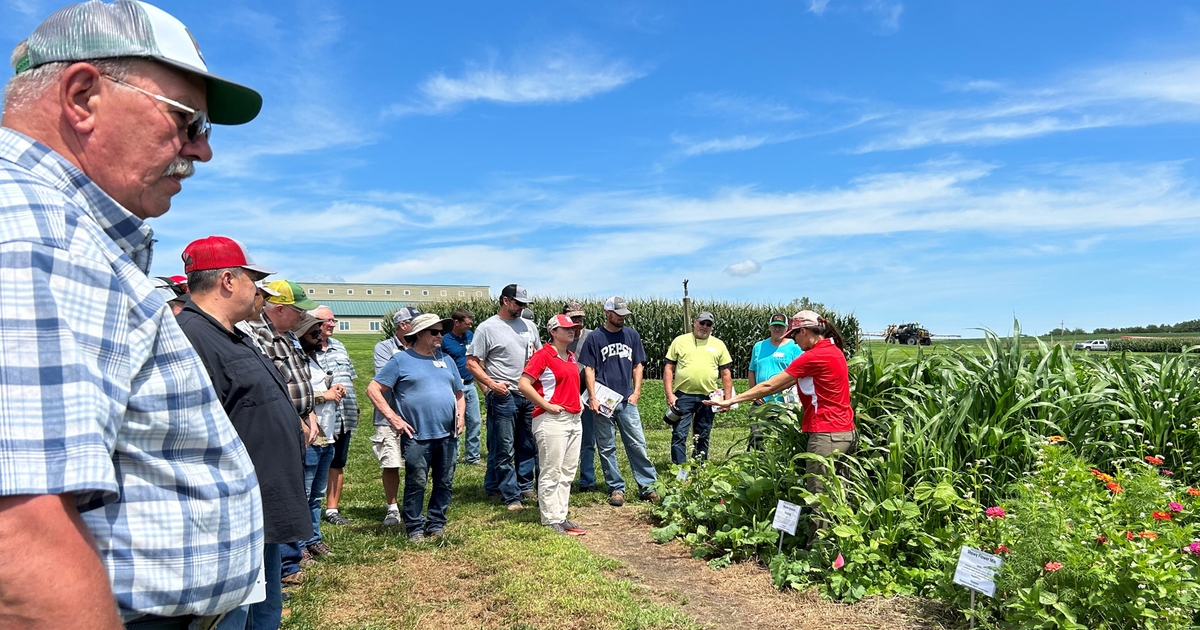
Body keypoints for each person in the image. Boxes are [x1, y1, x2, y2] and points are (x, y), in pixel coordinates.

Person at [0, 1, 265, 626]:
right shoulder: (41, 233)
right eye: (187, 119)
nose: (202, 151)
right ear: (84, 96)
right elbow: (20, 539)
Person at [175, 236, 310, 630]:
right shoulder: (191, 337)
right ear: (229, 280)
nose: (259, 290)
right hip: (229, 518)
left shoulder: (233, 334)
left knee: (262, 609)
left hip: (261, 508)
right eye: (254, 279)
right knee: (232, 616)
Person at [709, 310, 856, 541]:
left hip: (826, 433)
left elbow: (769, 386)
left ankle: (817, 551)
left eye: (795, 335)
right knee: (838, 493)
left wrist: (731, 400)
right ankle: (842, 544)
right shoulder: (832, 350)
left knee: (819, 494)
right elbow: (780, 385)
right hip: (845, 430)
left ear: (804, 332)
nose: (794, 340)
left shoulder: (813, 356)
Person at [244, 279, 321, 584]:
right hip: (282, 425)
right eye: (298, 311)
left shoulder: (287, 337)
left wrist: (311, 415)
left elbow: (300, 380)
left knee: (297, 489)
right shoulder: (259, 336)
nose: (303, 317)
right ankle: (286, 563)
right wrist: (296, 419)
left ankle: (294, 554)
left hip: (300, 422)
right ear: (279, 309)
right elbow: (274, 387)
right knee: (284, 491)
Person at [366, 314, 466, 541]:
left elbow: (459, 392)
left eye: (442, 332)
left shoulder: (447, 360)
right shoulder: (401, 360)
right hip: (417, 434)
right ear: (419, 334)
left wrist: (460, 415)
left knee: (445, 480)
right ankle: (414, 527)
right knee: (417, 481)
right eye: (435, 332)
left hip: (448, 433)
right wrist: (394, 419)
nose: (440, 336)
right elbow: (373, 389)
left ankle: (436, 523)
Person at [579, 296, 659, 505]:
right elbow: (589, 368)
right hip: (603, 400)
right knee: (606, 446)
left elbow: (637, 365)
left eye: (624, 314)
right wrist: (593, 398)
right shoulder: (595, 338)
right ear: (607, 313)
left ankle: (648, 486)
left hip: (626, 400)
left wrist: (637, 392)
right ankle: (616, 488)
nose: (622, 318)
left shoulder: (631, 335)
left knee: (637, 443)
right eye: (618, 314)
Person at [468, 284, 541, 510]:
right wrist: (490, 385)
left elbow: (539, 357)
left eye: (524, 304)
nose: (521, 308)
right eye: (518, 303)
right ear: (505, 300)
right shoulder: (487, 328)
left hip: (527, 393)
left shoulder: (529, 326)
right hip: (504, 394)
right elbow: (471, 362)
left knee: (528, 443)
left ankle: (525, 484)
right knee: (504, 446)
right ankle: (511, 495)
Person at [519, 315, 587, 536]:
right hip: (551, 420)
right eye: (567, 328)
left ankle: (561, 515)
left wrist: (579, 402)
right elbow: (523, 384)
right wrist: (546, 405)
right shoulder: (543, 355)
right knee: (551, 469)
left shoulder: (570, 356)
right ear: (553, 332)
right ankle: (550, 518)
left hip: (574, 418)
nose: (572, 331)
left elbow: (569, 385)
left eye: (574, 329)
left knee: (567, 470)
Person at [311, 306, 360, 526]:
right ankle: (309, 508)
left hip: (344, 416)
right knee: (312, 464)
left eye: (333, 320)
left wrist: (353, 406)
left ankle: (332, 510)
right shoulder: (304, 348)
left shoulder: (339, 346)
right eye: (326, 321)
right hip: (318, 418)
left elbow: (351, 377)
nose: (331, 324)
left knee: (337, 462)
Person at [371, 306, 421, 526]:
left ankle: (413, 507)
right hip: (388, 415)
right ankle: (392, 508)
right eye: (415, 322)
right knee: (390, 462)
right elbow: (387, 380)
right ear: (403, 325)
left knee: (417, 463)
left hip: (417, 415)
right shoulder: (384, 348)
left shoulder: (424, 347)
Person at [663, 311, 733, 464]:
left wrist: (728, 398)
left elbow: (726, 373)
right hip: (683, 396)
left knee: (703, 434)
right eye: (702, 323)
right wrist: (669, 394)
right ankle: (680, 470)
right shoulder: (679, 341)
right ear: (694, 323)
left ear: (712, 327)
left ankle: (699, 468)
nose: (704, 327)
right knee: (679, 434)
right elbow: (669, 368)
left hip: (709, 397)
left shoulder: (718, 345)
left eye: (708, 324)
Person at [747, 313, 803, 449]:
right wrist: (755, 393)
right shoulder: (759, 347)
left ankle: (781, 461)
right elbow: (752, 370)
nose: (777, 329)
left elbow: (800, 373)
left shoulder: (795, 347)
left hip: (785, 401)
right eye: (775, 326)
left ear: (786, 329)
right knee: (756, 433)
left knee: (785, 435)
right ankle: (755, 462)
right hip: (762, 400)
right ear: (769, 328)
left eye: (781, 326)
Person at [562, 300, 598, 492]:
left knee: (587, 440)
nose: (577, 322)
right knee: (563, 439)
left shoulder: (592, 337)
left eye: (580, 318)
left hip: (586, 394)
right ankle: (562, 480)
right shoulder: (560, 336)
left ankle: (587, 480)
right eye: (573, 318)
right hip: (565, 395)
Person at [442, 308, 483, 465]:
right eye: (467, 323)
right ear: (456, 322)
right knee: (455, 422)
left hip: (469, 384)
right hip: (452, 387)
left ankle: (472, 457)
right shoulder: (445, 340)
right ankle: (454, 457)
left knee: (475, 420)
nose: (470, 326)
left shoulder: (470, 336)